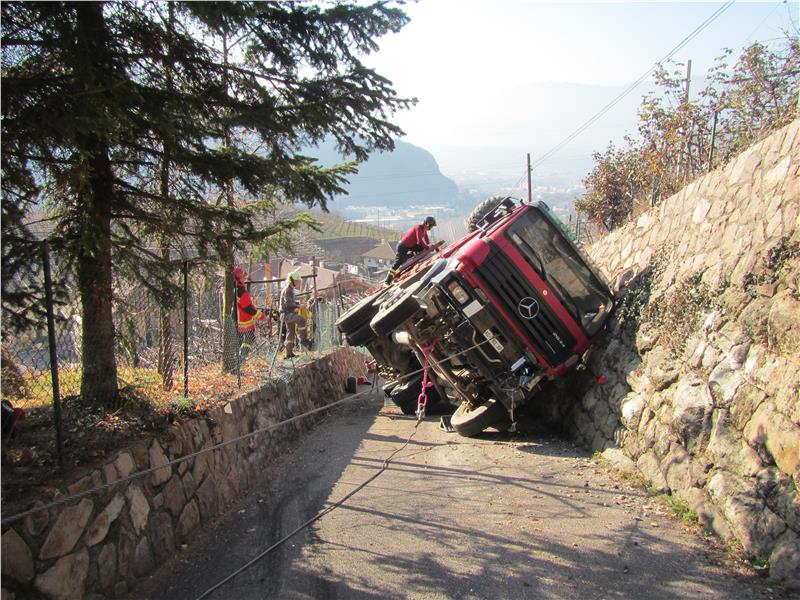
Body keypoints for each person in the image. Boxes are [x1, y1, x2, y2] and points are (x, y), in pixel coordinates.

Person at [385, 216, 437, 284]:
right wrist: (428, 247)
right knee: (398, 262)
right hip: (402, 246)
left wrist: (430, 246)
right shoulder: (418, 228)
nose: (431, 228)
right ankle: (388, 279)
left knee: (421, 248)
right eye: (431, 226)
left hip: (410, 246)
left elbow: (426, 241)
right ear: (427, 224)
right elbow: (420, 241)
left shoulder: (424, 230)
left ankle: (409, 256)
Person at [233, 266, 267, 360]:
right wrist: (261, 316)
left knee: (239, 340)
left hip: (235, 319)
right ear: (239, 277)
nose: (244, 279)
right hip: (244, 320)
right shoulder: (241, 291)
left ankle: (237, 358)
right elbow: (248, 308)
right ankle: (241, 357)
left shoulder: (230, 289)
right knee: (249, 338)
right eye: (243, 277)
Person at [280, 271, 312, 358]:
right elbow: (288, 304)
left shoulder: (290, 289)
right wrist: (299, 306)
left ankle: (288, 353)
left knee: (290, 333)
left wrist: (297, 302)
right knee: (302, 320)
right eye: (297, 280)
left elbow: (290, 302)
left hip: (288, 314)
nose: (298, 282)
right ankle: (303, 340)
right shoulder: (287, 290)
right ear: (291, 280)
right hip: (286, 314)